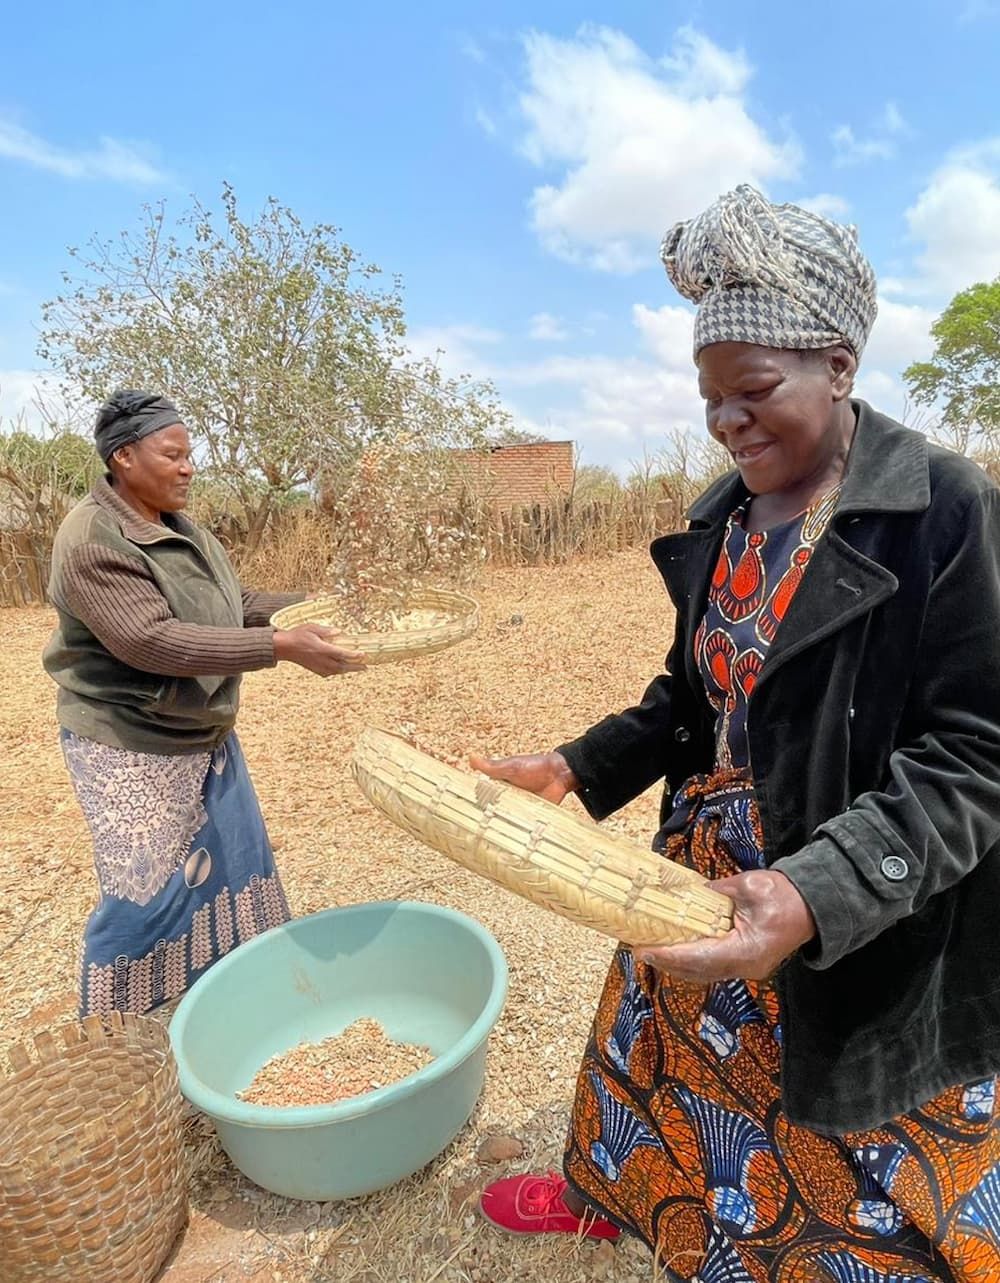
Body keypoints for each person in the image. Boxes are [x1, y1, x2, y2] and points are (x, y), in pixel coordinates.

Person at [474, 187, 1000, 1280]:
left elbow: (976, 748)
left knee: (839, 1125)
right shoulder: (723, 512)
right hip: (703, 873)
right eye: (712, 398)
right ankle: (626, 1201)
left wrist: (819, 890)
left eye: (754, 392)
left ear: (841, 365)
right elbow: (693, 696)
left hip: (863, 889)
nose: (728, 422)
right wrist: (577, 764)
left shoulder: (942, 506)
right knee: (659, 1061)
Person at [44, 390, 365, 1018]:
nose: (189, 467)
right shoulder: (92, 538)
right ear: (125, 456)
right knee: (148, 894)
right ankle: (124, 1038)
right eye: (174, 454)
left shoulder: (177, 526)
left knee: (231, 871)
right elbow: (149, 640)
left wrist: (319, 609)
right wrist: (280, 646)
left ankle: (228, 1008)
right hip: (132, 742)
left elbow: (230, 602)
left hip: (198, 735)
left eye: (191, 455)